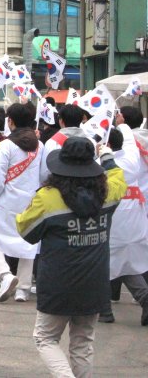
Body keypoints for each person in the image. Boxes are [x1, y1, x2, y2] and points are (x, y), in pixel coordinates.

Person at [16, 137, 126, 378]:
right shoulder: (108, 193)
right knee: (83, 343)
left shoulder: (47, 197)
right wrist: (106, 155)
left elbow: (25, 232)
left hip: (58, 281)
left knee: (45, 338)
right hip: (95, 281)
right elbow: (118, 176)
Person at [0, 103, 43, 303]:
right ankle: (23, 290)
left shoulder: (6, 145)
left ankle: (5, 275)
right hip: (31, 201)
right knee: (28, 241)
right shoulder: (39, 145)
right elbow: (43, 175)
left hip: (7, 201)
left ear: (11, 121)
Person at [97, 126, 148, 324]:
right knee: (126, 263)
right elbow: (128, 138)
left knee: (104, 262)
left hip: (114, 217)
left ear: (107, 145)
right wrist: (123, 124)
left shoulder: (102, 165)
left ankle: (104, 309)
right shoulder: (132, 158)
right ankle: (144, 297)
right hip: (134, 216)